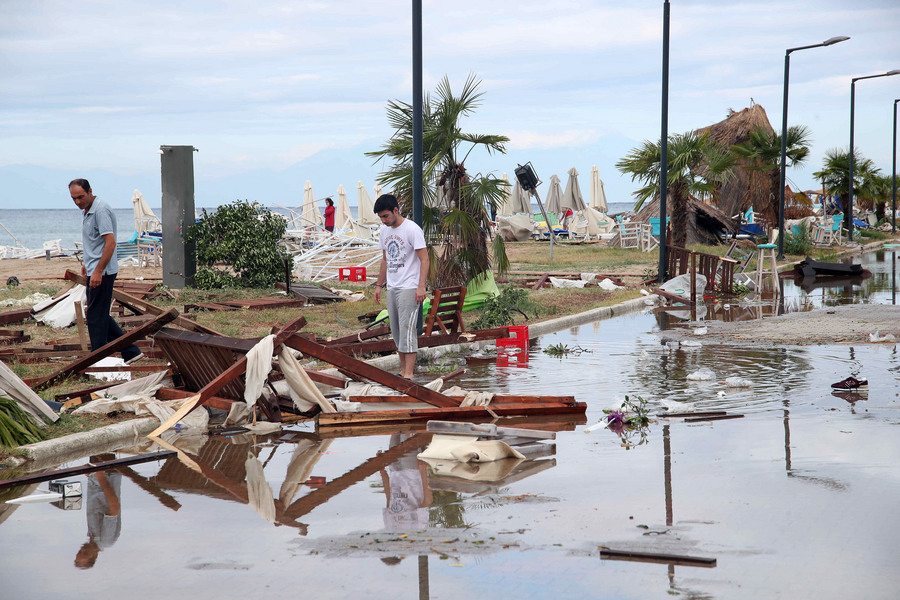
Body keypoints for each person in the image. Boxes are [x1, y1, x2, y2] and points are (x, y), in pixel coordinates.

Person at [69, 179, 142, 363]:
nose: (78, 202)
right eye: (74, 198)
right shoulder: (88, 211)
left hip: (104, 272)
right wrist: (89, 264)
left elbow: (110, 243)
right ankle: (130, 351)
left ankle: (99, 358)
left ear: (90, 191)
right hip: (96, 269)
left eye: (81, 197)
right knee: (98, 314)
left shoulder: (100, 210)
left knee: (95, 317)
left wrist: (98, 271)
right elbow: (96, 242)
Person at [373, 194, 429, 379]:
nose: (383, 220)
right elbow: (384, 260)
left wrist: (421, 287)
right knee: (396, 331)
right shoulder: (384, 231)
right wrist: (379, 285)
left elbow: (424, 259)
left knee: (407, 328)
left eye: (386, 216)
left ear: (396, 210)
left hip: (410, 286)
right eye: (381, 217)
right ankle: (402, 371)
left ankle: (409, 374)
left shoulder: (412, 229)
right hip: (393, 286)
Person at [74, 458, 122, 569]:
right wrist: (101, 476)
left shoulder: (92, 536)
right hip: (108, 473)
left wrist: (92, 476)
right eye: (85, 553)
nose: (82, 549)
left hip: (98, 476)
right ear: (95, 556)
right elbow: (114, 508)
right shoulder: (106, 540)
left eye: (79, 552)